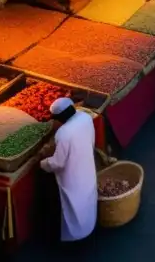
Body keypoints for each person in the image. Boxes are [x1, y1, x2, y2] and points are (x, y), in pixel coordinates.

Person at [40, 98, 97, 244]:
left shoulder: (63, 133)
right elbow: (91, 139)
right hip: (86, 164)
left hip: (71, 176)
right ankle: (89, 226)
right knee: (87, 198)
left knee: (73, 204)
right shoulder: (85, 117)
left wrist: (43, 163)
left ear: (60, 117)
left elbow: (58, 163)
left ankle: (74, 235)